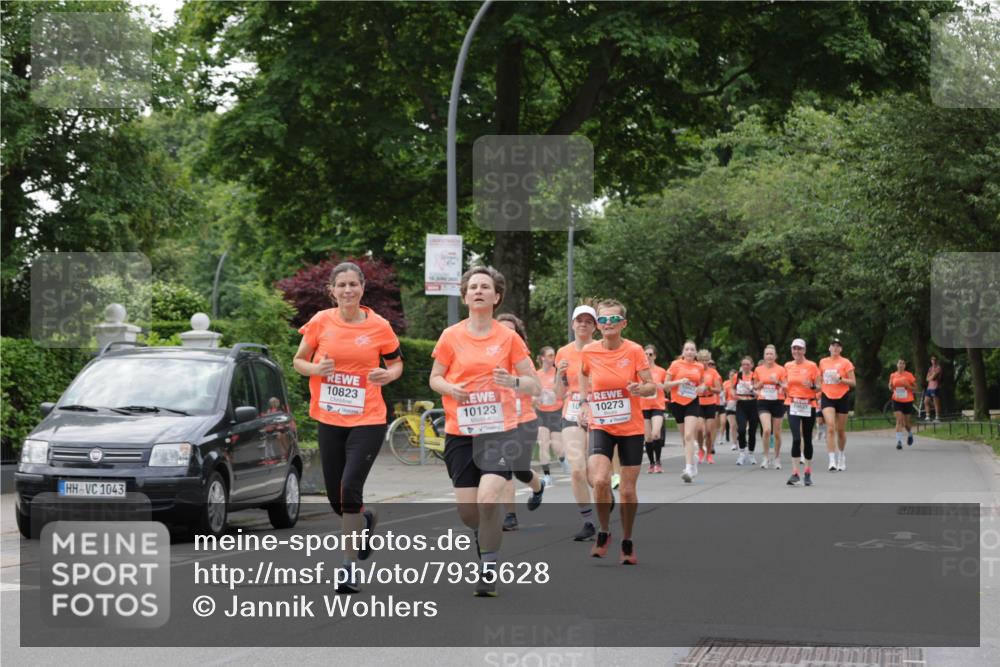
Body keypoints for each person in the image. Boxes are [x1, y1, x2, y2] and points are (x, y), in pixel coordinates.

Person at [429, 266, 541, 597]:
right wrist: (450, 389)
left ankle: (488, 567)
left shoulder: (509, 338)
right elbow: (434, 377)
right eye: (472, 287)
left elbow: (533, 384)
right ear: (465, 296)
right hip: (460, 431)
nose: (478, 291)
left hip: (499, 430)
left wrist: (514, 381)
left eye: (484, 287)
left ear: (496, 296)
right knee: (469, 512)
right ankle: (484, 538)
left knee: (489, 498)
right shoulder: (451, 336)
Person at [294, 261, 403, 594]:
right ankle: (365, 519)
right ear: (332, 290)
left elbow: (396, 362)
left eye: (353, 284)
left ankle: (348, 567)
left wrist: (389, 375)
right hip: (329, 418)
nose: (347, 291)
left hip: (368, 418)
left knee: (350, 486)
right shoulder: (320, 322)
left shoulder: (379, 326)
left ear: (362, 287)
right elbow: (299, 361)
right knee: (335, 497)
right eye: (341, 285)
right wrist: (317, 368)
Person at [577, 299, 656, 563]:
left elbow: (651, 386)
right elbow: (583, 375)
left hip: (630, 427)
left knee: (627, 491)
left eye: (613, 320)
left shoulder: (634, 351)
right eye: (603, 320)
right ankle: (603, 531)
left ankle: (627, 539)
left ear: (623, 323)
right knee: (599, 480)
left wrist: (639, 388)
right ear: (598, 325)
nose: (608, 324)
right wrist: (584, 403)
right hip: (601, 424)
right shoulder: (589, 351)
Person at [495, 313, 547, 532]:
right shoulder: (488, 359)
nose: (506, 334)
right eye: (501, 329)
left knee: (520, 470)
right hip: (499, 422)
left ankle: (538, 486)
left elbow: (536, 387)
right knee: (504, 467)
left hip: (525, 420)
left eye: (511, 330)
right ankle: (510, 516)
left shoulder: (522, 360)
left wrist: (516, 383)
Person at [555, 304, 600, 541]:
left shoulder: (603, 349)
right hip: (571, 411)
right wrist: (557, 375)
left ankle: (604, 499)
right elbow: (557, 393)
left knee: (596, 475)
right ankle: (588, 521)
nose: (583, 324)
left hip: (598, 411)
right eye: (579, 320)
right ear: (573, 324)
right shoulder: (563, 352)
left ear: (595, 326)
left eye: (588, 321)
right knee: (576, 471)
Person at [665, 341, 705, 482]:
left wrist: (702, 388)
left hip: (692, 402)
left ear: (695, 353)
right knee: (685, 438)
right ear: (683, 352)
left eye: (692, 349)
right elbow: (666, 385)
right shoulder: (675, 365)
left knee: (689, 435)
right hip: (677, 403)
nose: (689, 352)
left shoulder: (699, 366)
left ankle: (688, 468)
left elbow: (703, 383)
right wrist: (679, 382)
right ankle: (692, 461)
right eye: (687, 349)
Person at [784, 339, 820, 486]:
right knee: (796, 438)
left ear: (804, 350)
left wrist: (811, 385)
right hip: (792, 403)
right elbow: (785, 384)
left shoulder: (812, 366)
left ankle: (807, 472)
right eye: (794, 349)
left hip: (808, 404)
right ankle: (795, 473)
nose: (796, 352)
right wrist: (782, 386)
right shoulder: (787, 366)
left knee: (807, 438)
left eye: (799, 349)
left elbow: (819, 387)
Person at [819, 338, 856, 472]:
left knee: (840, 430)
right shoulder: (823, 362)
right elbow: (819, 379)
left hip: (842, 397)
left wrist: (840, 379)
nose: (835, 348)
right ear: (829, 348)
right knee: (830, 427)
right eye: (833, 346)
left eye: (838, 346)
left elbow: (853, 383)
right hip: (827, 396)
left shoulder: (846, 362)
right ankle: (832, 460)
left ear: (841, 349)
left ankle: (841, 455)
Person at [534, 346, 565, 485]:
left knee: (558, 446)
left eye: (554, 355)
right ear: (542, 358)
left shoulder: (558, 372)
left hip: (556, 411)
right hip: (541, 412)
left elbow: (564, 392)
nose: (553, 358)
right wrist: (535, 398)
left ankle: (563, 459)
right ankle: (547, 475)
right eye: (550, 355)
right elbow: (532, 393)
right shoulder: (536, 374)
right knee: (543, 443)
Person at [754, 345, 787, 470]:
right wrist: (760, 384)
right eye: (767, 354)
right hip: (763, 401)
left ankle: (777, 458)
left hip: (778, 401)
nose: (769, 356)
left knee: (777, 433)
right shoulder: (758, 369)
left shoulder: (781, 369)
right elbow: (755, 386)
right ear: (764, 356)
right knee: (767, 430)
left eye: (771, 354)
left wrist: (777, 382)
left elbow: (786, 386)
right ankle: (765, 457)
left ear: (775, 356)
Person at [641, 344, 668, 473]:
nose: (647, 356)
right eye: (645, 354)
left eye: (650, 354)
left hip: (657, 406)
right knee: (648, 438)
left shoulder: (661, 371)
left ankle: (658, 462)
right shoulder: (639, 371)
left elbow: (666, 387)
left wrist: (662, 386)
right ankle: (651, 463)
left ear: (655, 356)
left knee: (656, 434)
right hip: (643, 407)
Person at [697, 351, 723, 465]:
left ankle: (709, 453)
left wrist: (708, 388)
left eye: (706, 359)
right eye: (702, 359)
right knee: (699, 429)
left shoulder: (713, 372)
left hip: (710, 401)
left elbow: (719, 389)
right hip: (698, 401)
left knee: (708, 431)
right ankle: (700, 450)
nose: (704, 362)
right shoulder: (695, 372)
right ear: (698, 360)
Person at [733, 356, 759, 465]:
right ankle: (742, 453)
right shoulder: (737, 376)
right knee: (742, 429)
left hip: (753, 404)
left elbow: (759, 390)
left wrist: (753, 391)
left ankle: (751, 453)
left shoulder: (755, 375)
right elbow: (731, 389)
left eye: (747, 364)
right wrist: (735, 396)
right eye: (743, 364)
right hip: (741, 404)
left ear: (752, 365)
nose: (745, 366)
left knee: (752, 430)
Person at [889, 358, 918, 450]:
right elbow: (890, 386)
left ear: (905, 366)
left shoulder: (909, 375)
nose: (901, 365)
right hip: (896, 400)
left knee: (906, 423)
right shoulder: (893, 375)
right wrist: (890, 387)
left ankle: (910, 434)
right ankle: (899, 441)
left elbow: (915, 388)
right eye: (899, 363)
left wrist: (908, 386)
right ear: (897, 365)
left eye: (903, 363)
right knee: (899, 421)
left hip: (907, 400)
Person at [723, 370, 738, 451]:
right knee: (732, 425)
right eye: (730, 375)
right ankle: (734, 443)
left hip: (739, 405)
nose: (732, 377)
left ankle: (739, 438)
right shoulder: (726, 383)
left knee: (738, 426)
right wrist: (724, 400)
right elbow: (723, 395)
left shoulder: (739, 383)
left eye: (734, 375)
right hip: (730, 405)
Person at [925, 355, 942, 422]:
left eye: (935, 359)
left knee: (936, 402)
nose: (933, 361)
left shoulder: (938, 368)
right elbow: (927, 379)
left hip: (935, 386)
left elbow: (933, 377)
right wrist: (931, 376)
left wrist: (931, 376)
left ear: (937, 360)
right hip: (929, 387)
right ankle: (928, 416)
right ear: (931, 360)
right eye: (932, 359)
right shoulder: (930, 368)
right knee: (926, 401)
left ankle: (937, 417)